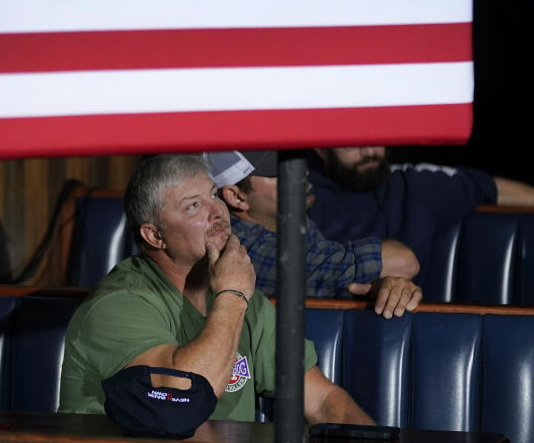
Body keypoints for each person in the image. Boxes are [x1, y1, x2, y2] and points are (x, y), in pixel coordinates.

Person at [59, 154, 374, 425]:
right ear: (155, 236)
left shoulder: (244, 299)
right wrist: (233, 297)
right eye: (194, 206)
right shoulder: (118, 304)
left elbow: (321, 400)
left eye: (214, 194)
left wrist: (363, 436)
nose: (218, 212)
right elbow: (179, 400)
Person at [206, 150, 422, 319]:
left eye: (296, 162)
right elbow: (404, 262)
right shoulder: (241, 249)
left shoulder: (292, 222)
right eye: (280, 172)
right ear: (236, 197)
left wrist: (389, 288)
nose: (301, 173)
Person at [308, 146, 534, 270]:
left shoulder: (412, 184)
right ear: (321, 149)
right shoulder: (292, 194)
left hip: (413, 332)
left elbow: (490, 188)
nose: (368, 151)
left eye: (375, 134)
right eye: (351, 142)